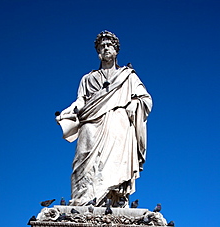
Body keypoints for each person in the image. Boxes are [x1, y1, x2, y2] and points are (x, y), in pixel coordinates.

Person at [56, 31, 152, 207]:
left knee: (115, 163)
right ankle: (82, 201)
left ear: (116, 50)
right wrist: (68, 112)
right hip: (90, 122)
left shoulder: (128, 76)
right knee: (81, 160)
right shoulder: (88, 78)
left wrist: (134, 104)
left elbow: (146, 99)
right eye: (102, 46)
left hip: (118, 123)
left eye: (109, 45)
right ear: (98, 52)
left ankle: (113, 199)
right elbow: (80, 100)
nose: (105, 48)